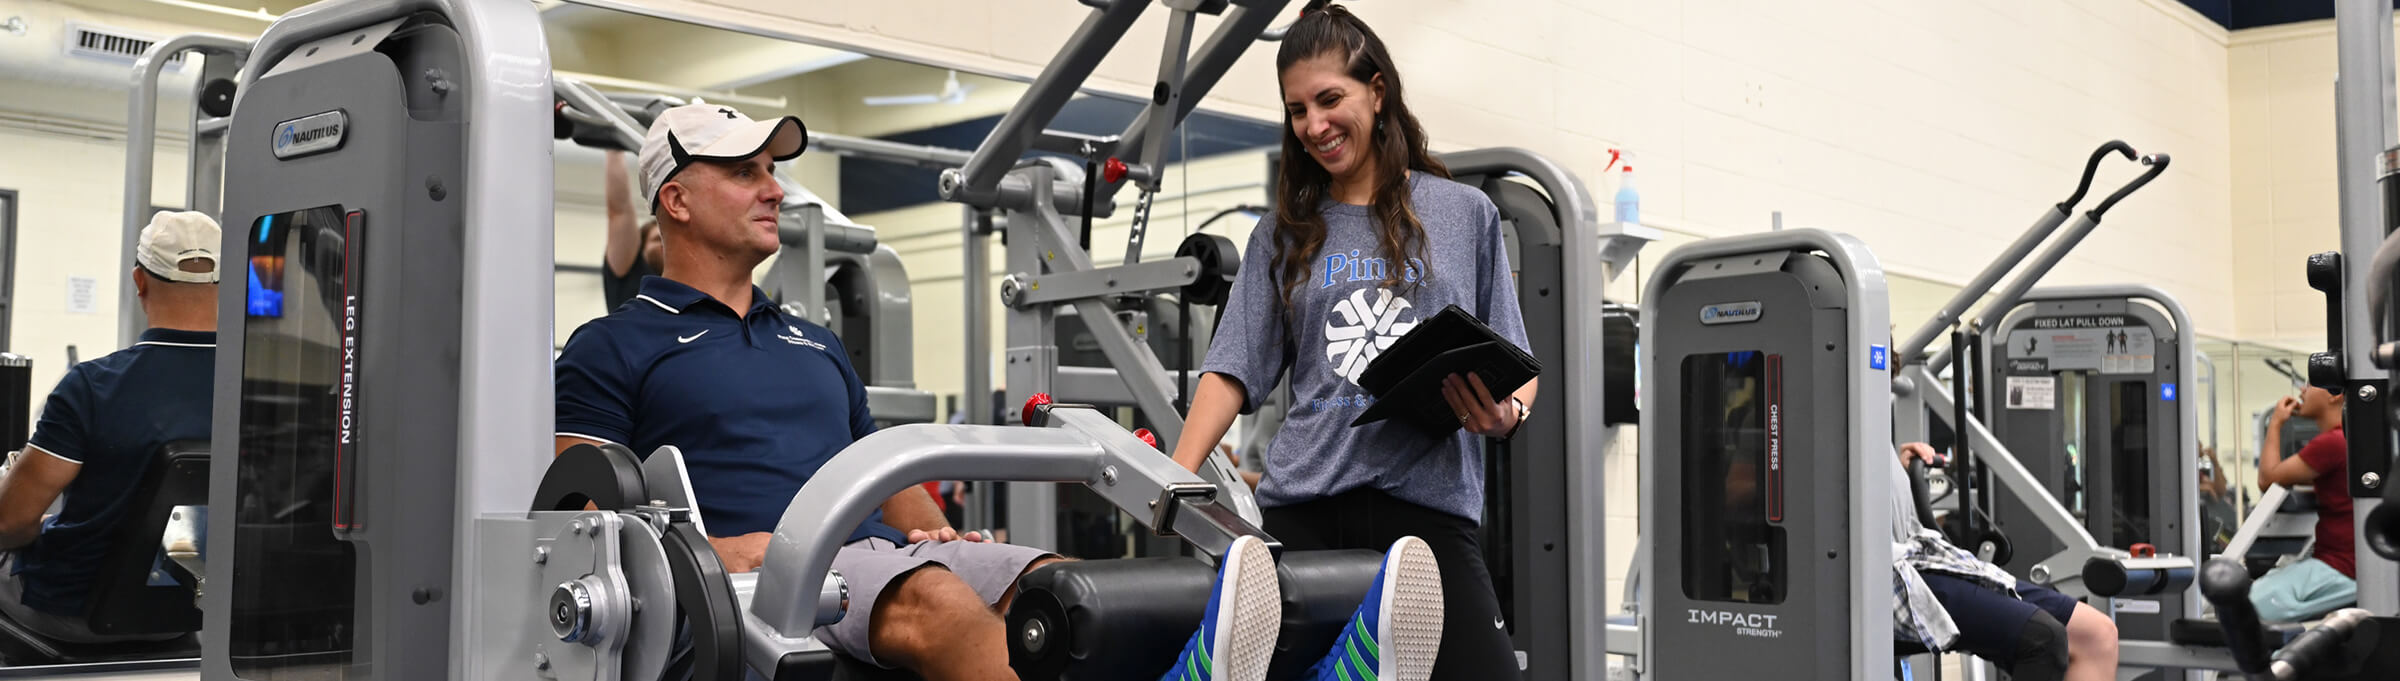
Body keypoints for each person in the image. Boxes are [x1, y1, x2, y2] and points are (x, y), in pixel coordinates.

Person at [553, 104, 1287, 681]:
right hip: (770, 581)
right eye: (747, 172)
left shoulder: (812, 341)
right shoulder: (612, 346)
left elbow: (878, 463)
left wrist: (942, 531)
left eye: (771, 170)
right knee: (935, 601)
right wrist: (712, 552)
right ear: (676, 200)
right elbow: (576, 524)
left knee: (1060, 586)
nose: (774, 188)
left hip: (870, 555)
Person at [1165, 6, 1522, 679]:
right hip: (1304, 512)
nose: (1315, 125)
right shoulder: (1283, 233)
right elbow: (1233, 367)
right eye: (1298, 109)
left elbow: (1516, 362)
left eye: (1330, 99)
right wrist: (1174, 481)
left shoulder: (1463, 213)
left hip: (1427, 516)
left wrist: (1506, 413)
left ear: (1376, 91)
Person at [0, 211, 220, 643]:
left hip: (78, 612)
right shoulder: (260, 387)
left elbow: (10, 523)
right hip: (195, 611)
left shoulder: (91, 388)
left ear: (139, 281)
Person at [1897, 443, 2118, 681]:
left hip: (1922, 555)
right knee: (2042, 637)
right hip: (1892, 575)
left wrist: (1898, 471)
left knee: (2097, 634)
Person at [2253, 385, 2356, 621]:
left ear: (2335, 394)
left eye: (2310, 384)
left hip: (2341, 569)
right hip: (2348, 568)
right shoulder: (2348, 441)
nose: (2302, 389)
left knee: (2248, 605)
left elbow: (2267, 479)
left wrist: (2277, 422)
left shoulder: (2333, 442)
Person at [601, 149, 665, 311]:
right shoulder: (632, 271)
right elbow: (619, 211)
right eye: (657, 239)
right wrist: (614, 151)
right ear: (641, 249)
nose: (666, 244)